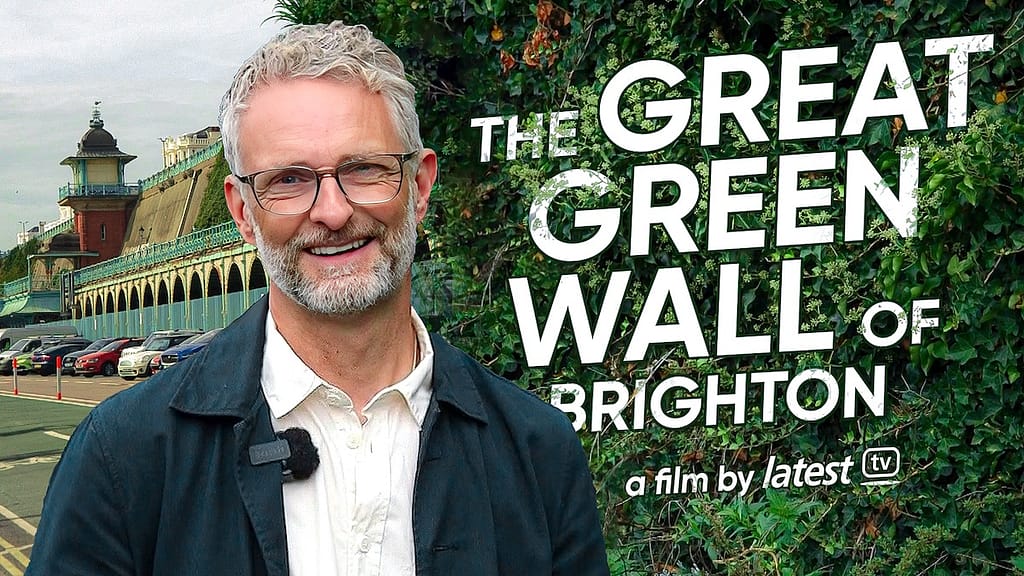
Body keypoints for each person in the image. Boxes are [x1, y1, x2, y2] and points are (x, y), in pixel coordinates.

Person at [27, 21, 609, 576]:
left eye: (365, 169)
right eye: (288, 180)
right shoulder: (123, 456)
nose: (331, 212)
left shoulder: (538, 452)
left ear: (420, 186)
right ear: (241, 212)